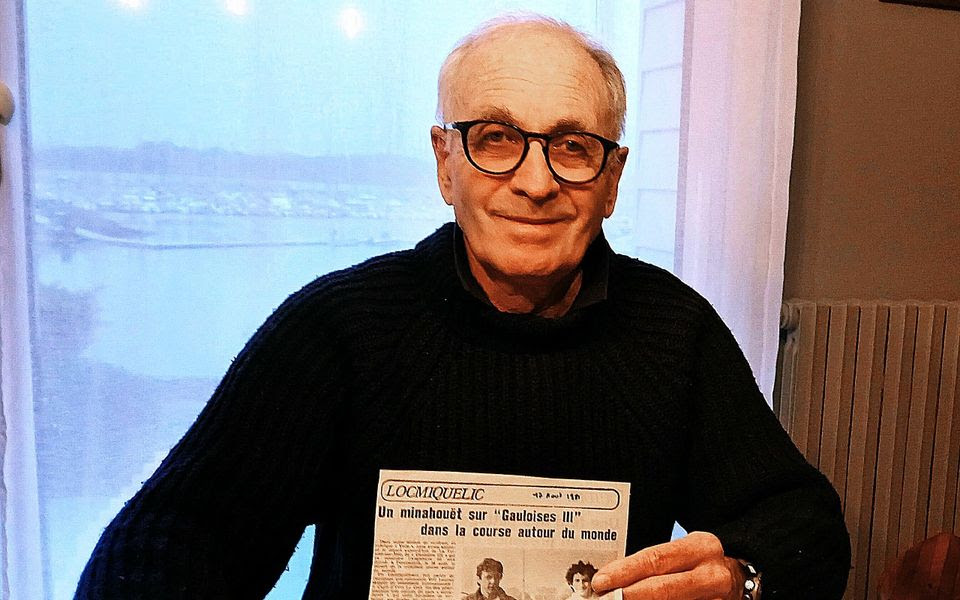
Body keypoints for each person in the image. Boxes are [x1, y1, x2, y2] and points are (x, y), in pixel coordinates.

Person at [74, 14, 850, 600]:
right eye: (496, 138)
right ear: (446, 163)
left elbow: (803, 521)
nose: (536, 181)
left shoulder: (673, 332)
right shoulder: (338, 329)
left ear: (612, 180)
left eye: (574, 146)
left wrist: (746, 576)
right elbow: (170, 541)